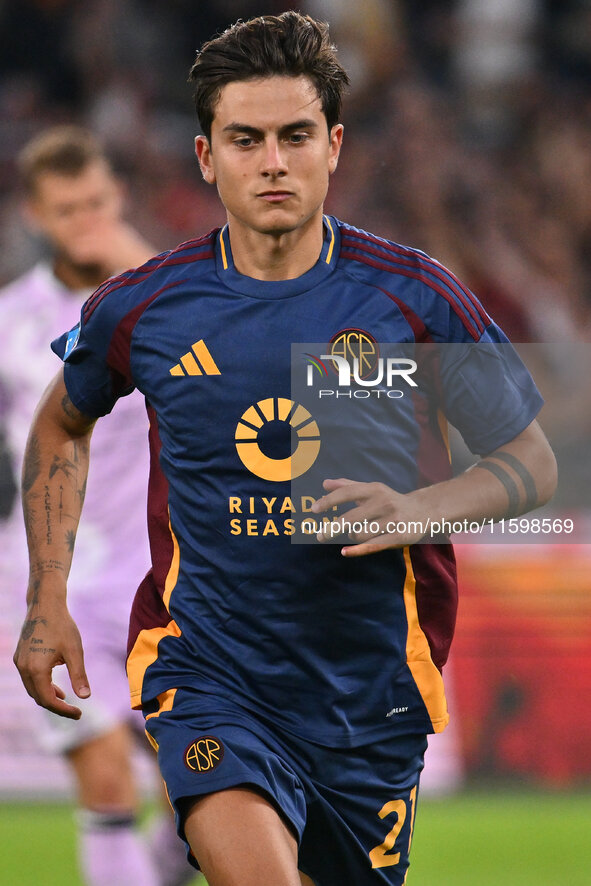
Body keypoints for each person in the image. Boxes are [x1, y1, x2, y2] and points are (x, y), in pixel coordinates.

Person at [13, 14, 556, 886]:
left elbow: (529, 461)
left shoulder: (411, 297)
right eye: (246, 139)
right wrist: (47, 598)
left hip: (368, 693)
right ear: (205, 156)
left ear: (333, 146)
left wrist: (420, 506)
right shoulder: (147, 305)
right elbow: (60, 421)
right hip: (207, 669)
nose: (273, 161)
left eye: (295, 135)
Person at [1, 126, 193, 886]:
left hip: (167, 580)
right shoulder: (10, 322)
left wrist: (134, 263)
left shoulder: (166, 301)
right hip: (57, 582)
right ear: (35, 215)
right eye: (66, 209)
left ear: (117, 201)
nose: (84, 220)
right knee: (107, 778)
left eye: (96, 204)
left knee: (202, 791)